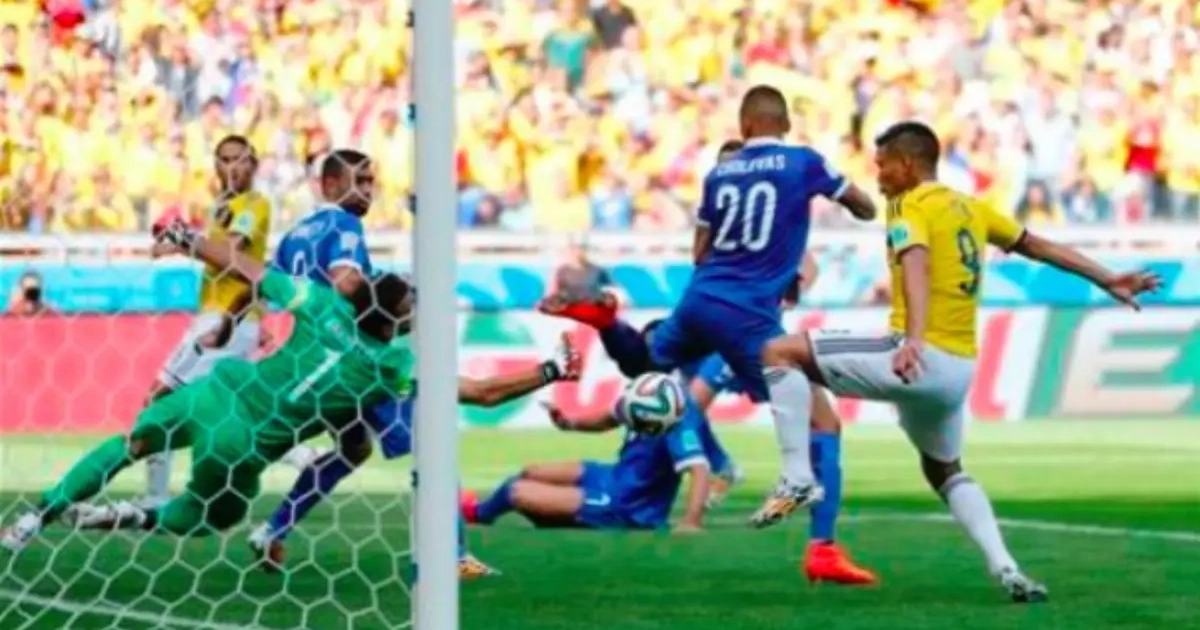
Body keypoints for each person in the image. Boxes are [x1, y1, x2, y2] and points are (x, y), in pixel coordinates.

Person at [757, 120, 1163, 602]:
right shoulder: (971, 207)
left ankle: (797, 477)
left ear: (908, 164)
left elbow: (916, 263)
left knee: (779, 352)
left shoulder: (908, 205)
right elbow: (1037, 245)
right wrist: (1106, 278)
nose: (878, 176)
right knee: (944, 469)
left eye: (883, 166)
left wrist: (913, 339)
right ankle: (1008, 569)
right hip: (957, 371)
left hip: (915, 356)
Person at [536, 85, 877, 527]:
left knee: (647, 364)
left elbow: (700, 252)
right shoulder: (803, 162)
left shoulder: (718, 175)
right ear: (786, 123)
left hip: (700, 300)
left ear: (745, 124)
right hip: (750, 318)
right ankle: (822, 545)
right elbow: (865, 209)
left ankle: (607, 323)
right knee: (822, 421)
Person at [246, 149, 576, 579]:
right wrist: (393, 307)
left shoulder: (295, 235)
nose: (368, 190)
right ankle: (452, 556)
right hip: (360, 363)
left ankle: (273, 529)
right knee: (434, 449)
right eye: (359, 180)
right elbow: (347, 284)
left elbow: (268, 288)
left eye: (370, 180)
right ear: (329, 185)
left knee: (353, 450)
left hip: (316, 362)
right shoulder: (344, 225)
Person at [0, 221, 416, 551]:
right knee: (214, 515)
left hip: (214, 393)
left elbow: (250, 269)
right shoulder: (389, 366)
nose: (415, 309)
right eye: (409, 305)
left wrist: (189, 239)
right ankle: (139, 516)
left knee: (132, 444)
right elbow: (446, 397)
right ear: (388, 324)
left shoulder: (321, 302)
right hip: (239, 444)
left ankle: (34, 518)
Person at [140, 135, 318, 509]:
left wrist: (183, 239)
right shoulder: (221, 205)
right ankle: (304, 458)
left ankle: (156, 496)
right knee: (220, 409)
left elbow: (233, 251)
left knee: (165, 401)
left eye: (239, 159)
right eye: (224, 159)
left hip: (227, 322)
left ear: (253, 163)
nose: (232, 166)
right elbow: (223, 257)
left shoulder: (254, 203)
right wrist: (175, 244)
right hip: (217, 318)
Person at [461, 392, 712, 533]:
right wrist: (569, 423)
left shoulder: (678, 422)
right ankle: (554, 516)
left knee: (515, 491)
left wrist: (691, 522)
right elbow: (608, 419)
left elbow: (699, 469)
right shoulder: (642, 393)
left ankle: (478, 515)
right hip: (611, 476)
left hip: (624, 505)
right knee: (531, 471)